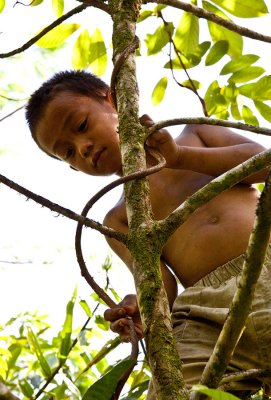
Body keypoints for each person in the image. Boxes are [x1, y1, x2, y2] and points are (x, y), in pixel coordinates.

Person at [25, 70, 271, 397]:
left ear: (113, 98)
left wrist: (181, 157)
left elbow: (263, 164)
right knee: (172, 390)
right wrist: (137, 307)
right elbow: (161, 287)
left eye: (81, 125)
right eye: (68, 152)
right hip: (206, 313)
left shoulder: (195, 133)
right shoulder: (116, 219)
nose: (82, 148)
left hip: (265, 260)